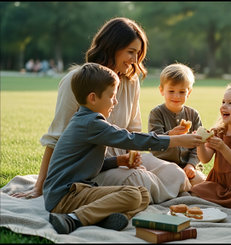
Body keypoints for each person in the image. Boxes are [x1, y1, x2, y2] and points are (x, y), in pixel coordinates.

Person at [10, 17, 192, 204]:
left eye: (138, 54)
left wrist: (132, 160)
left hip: (121, 159)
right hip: (91, 166)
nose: (135, 60)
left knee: (174, 173)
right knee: (140, 182)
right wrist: (40, 186)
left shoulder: (131, 81)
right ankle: (148, 195)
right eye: (131, 52)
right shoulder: (77, 80)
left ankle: (154, 193)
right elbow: (55, 138)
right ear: (112, 47)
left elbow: (133, 132)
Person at [45, 63, 202, 234]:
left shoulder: (87, 120)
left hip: (79, 190)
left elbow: (84, 165)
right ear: (92, 98)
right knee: (133, 195)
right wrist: (176, 139)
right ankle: (72, 219)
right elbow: (131, 139)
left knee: (142, 194)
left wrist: (118, 161)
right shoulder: (92, 123)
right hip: (65, 197)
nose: (115, 101)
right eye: (112, 96)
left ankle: (104, 218)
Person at [148, 63, 206, 186]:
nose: (176, 96)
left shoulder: (193, 115)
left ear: (189, 92)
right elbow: (153, 141)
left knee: (202, 182)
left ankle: (184, 186)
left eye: (181, 92)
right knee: (173, 178)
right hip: (163, 165)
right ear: (161, 90)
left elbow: (199, 145)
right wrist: (171, 134)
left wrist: (191, 164)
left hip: (186, 166)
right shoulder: (156, 113)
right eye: (171, 91)